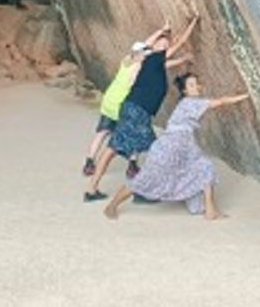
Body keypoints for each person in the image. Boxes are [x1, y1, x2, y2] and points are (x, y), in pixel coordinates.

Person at [84, 15, 199, 202]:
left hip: (131, 108)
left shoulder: (153, 62)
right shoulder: (151, 57)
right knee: (157, 151)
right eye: (161, 44)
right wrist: (193, 21)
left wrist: (175, 48)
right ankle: (141, 192)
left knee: (112, 149)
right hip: (138, 111)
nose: (164, 46)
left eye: (165, 44)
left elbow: (170, 52)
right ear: (153, 47)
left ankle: (91, 189)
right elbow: (180, 42)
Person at [103, 72, 249, 220]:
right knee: (144, 180)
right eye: (191, 85)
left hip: (181, 147)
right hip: (169, 147)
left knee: (205, 167)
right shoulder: (190, 102)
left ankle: (210, 211)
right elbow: (221, 102)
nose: (196, 87)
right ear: (185, 91)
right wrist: (245, 95)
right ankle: (112, 205)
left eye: (196, 83)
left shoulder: (190, 103)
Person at [82, 26, 171, 177]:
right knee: (132, 132)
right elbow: (162, 61)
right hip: (122, 104)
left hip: (109, 101)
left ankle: (90, 162)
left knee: (102, 132)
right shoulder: (141, 66)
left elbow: (152, 51)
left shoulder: (126, 61)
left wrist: (160, 32)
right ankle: (132, 164)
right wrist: (162, 35)